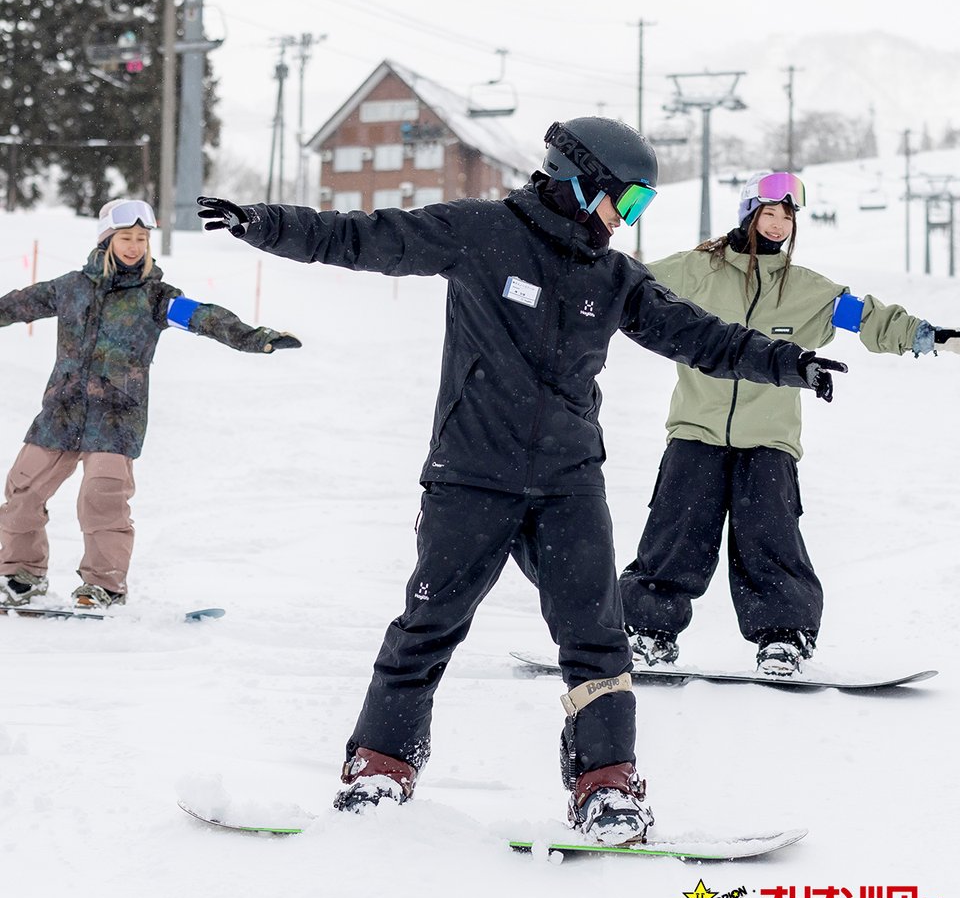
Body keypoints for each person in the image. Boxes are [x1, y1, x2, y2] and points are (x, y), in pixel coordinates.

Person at [197, 120, 845, 847]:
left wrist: (790, 363)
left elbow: (701, 334)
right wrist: (263, 224)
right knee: (427, 627)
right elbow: (364, 237)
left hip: (569, 485)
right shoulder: (481, 232)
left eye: (638, 210)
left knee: (597, 639)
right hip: (470, 476)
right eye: (626, 202)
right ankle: (379, 769)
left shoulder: (615, 276)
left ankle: (607, 787)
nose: (626, 220)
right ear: (578, 181)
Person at [619, 170, 960, 678]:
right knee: (675, 538)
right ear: (748, 213)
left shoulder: (807, 292)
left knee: (770, 540)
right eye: (770, 213)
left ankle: (783, 638)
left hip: (770, 439)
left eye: (787, 216)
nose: (779, 225)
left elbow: (868, 318)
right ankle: (648, 633)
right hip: (695, 430)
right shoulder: (695, 272)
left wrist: (931, 337)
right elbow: (625, 286)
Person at [0, 198, 301, 612]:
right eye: (126, 237)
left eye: (142, 238)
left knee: (102, 500)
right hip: (61, 412)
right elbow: (15, 305)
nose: (134, 246)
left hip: (116, 417)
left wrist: (253, 337)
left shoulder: (157, 298)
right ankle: (20, 575)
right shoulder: (69, 288)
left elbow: (205, 317)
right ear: (107, 240)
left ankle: (102, 586)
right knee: (22, 490)